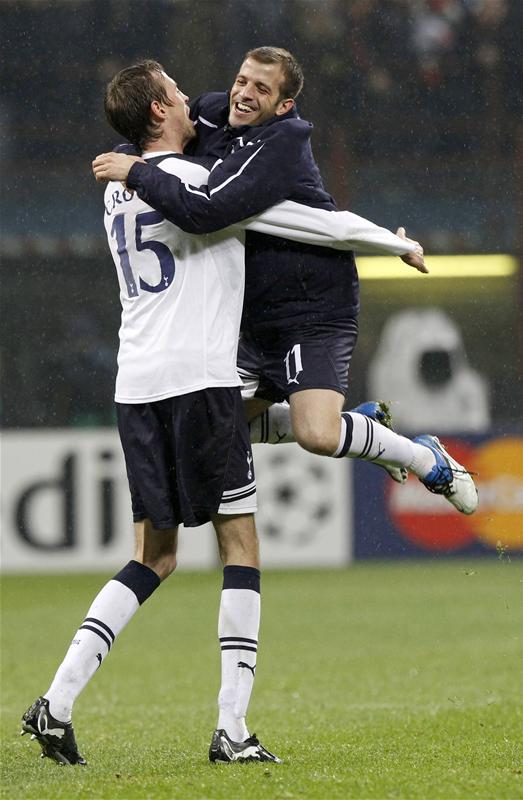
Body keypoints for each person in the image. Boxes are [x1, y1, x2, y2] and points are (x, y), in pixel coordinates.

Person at [22, 59, 372, 768]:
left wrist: (132, 165)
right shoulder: (195, 184)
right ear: (159, 112)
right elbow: (244, 210)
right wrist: (386, 241)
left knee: (152, 555)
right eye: (178, 95)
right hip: (202, 385)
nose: (194, 101)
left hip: (137, 385)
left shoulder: (118, 193)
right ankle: (232, 729)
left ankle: (54, 705)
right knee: (239, 549)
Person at [92, 48, 478, 515]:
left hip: (310, 310)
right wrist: (126, 149)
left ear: (284, 106)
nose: (244, 94)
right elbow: (154, 126)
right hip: (252, 319)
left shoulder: (283, 143)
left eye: (262, 88)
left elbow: (242, 214)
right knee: (206, 427)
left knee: (317, 434)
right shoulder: (215, 114)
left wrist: (387, 242)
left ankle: (424, 457)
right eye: (242, 80)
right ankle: (361, 428)